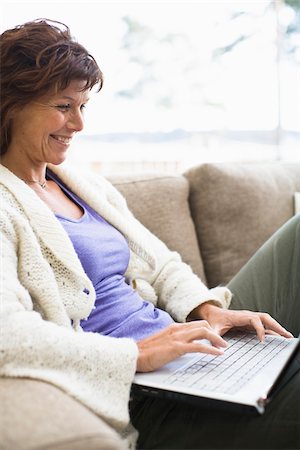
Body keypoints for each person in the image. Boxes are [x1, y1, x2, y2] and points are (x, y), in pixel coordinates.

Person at [0, 18, 299, 450]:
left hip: (187, 352)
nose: (79, 124)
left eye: (83, 106)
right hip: (143, 393)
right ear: (10, 105)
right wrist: (137, 355)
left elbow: (162, 265)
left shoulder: (82, 183)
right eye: (64, 106)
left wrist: (205, 310)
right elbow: (8, 334)